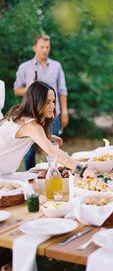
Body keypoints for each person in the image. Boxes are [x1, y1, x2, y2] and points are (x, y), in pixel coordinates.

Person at [0, 81, 94, 178]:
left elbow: (19, 135)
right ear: (36, 102)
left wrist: (47, 137)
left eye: (53, 101)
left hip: (5, 174)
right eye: (47, 102)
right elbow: (52, 151)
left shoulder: (20, 116)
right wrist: (81, 169)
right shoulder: (31, 125)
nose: (52, 106)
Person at [14, 34, 69, 170]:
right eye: (42, 47)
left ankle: (54, 175)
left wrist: (64, 112)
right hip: (32, 114)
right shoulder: (24, 67)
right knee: (29, 153)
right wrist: (31, 88)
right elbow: (16, 90)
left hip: (52, 114)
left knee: (52, 150)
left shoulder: (56, 66)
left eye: (47, 47)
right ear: (35, 48)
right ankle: (30, 181)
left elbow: (62, 90)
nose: (45, 50)